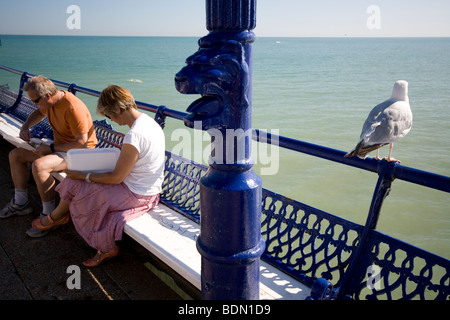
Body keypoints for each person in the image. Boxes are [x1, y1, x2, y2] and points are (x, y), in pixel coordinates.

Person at [32, 85, 165, 267]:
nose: (110, 119)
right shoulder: (149, 122)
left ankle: (106, 248)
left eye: (109, 115)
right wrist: (83, 175)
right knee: (73, 181)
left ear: (117, 109)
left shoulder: (134, 136)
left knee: (84, 200)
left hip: (137, 193)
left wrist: (85, 176)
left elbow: (116, 178)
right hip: (141, 186)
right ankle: (57, 216)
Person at [0, 75, 98, 238]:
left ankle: (50, 215)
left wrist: (51, 147)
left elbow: (81, 143)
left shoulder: (73, 107)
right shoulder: (50, 102)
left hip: (79, 153)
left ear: (47, 96)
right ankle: (21, 202)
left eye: (36, 101)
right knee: (15, 155)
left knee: (40, 166)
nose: (35, 104)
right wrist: (25, 127)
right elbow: (38, 113)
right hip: (60, 148)